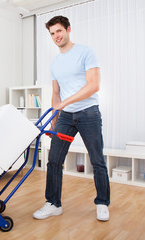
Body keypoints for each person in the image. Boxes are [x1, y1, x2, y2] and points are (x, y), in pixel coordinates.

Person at [33, 15, 110, 221]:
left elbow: (93, 85)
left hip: (89, 113)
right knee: (54, 160)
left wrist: (64, 104)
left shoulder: (85, 52)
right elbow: (56, 93)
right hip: (65, 117)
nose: (56, 36)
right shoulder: (55, 62)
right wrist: (55, 118)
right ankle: (53, 204)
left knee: (97, 160)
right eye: (52, 33)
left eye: (58, 31)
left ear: (68, 29)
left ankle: (102, 203)